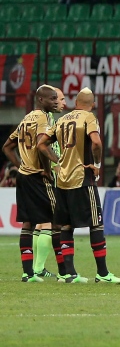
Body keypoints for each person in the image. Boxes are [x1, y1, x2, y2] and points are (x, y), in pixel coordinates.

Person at [39, 88, 120, 283]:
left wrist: (57, 161)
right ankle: (102, 274)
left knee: (66, 226)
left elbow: (42, 144)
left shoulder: (61, 119)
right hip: (82, 179)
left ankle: (69, 273)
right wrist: (98, 165)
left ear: (75, 102)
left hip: (63, 181)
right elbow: (96, 143)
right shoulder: (89, 117)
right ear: (92, 104)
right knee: (96, 224)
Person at [2, 86, 61, 282]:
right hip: (38, 177)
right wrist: (48, 168)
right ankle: (65, 271)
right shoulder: (43, 118)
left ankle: (28, 273)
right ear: (41, 100)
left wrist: (20, 166)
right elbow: (40, 145)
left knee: (28, 224)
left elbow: (7, 147)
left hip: (24, 176)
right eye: (51, 99)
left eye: (56, 98)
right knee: (56, 219)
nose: (55, 101)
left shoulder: (26, 119)